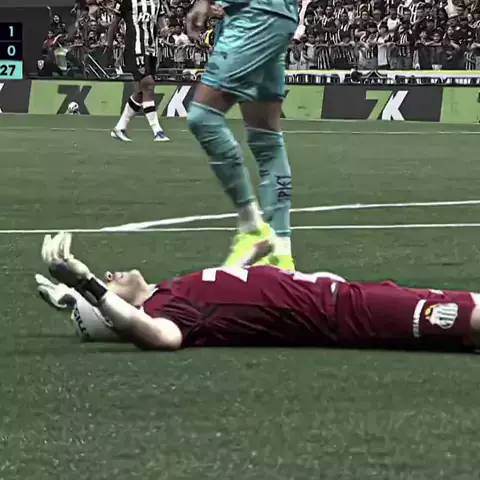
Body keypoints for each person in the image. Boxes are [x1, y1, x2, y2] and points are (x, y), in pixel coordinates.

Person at [38, 232, 480, 352]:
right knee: (465, 319)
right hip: (344, 313)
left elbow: (231, 284)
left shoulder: (171, 290)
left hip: (345, 295)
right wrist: (86, 286)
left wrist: (252, 253)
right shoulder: (167, 314)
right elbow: (157, 337)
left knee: (468, 307)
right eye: (107, 281)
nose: (109, 274)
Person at [184, 0, 298, 270]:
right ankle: (281, 256)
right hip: (278, 15)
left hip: (255, 13)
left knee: (203, 117)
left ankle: (251, 227)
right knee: (266, 140)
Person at [108, 0, 170, 142]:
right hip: (135, 49)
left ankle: (120, 128)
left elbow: (161, 23)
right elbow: (113, 24)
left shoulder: (157, 1)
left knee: (141, 92)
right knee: (148, 84)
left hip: (152, 50)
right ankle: (157, 131)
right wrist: (109, 47)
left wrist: (165, 29)